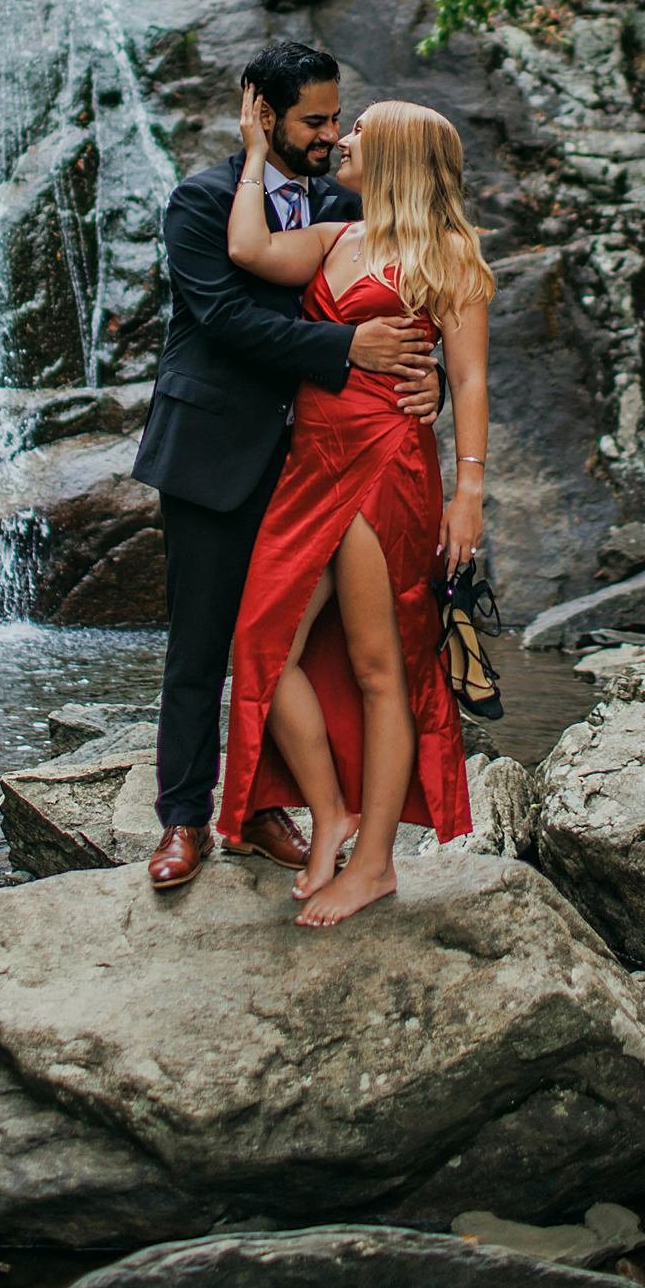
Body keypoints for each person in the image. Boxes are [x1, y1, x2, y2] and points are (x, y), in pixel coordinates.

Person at [132, 41, 441, 890]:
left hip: (318, 463)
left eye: (336, 117)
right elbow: (226, 317)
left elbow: (405, 301)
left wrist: (427, 383)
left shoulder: (345, 201)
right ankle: (183, 820)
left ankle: (264, 809)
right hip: (213, 451)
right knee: (199, 644)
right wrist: (348, 347)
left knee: (283, 644)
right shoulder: (198, 202)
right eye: (312, 119)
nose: (329, 133)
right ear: (260, 114)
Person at [217, 89, 495, 927]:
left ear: (398, 153)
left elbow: (473, 377)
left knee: (384, 667)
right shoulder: (334, 236)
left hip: (386, 468)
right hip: (311, 468)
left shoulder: (446, 250)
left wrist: (469, 490)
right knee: (261, 646)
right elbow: (246, 246)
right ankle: (328, 809)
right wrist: (254, 149)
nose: (341, 138)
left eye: (360, 131)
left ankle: (373, 861)